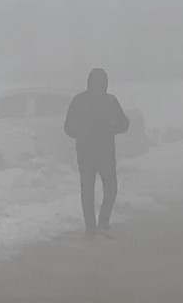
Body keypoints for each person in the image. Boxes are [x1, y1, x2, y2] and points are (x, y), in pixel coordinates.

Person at [64, 68, 129, 239]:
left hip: (89, 152)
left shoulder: (80, 100)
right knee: (107, 189)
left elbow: (68, 128)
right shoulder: (109, 101)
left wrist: (83, 133)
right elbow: (124, 124)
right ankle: (100, 224)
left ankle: (93, 227)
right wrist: (109, 130)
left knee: (90, 190)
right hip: (102, 152)